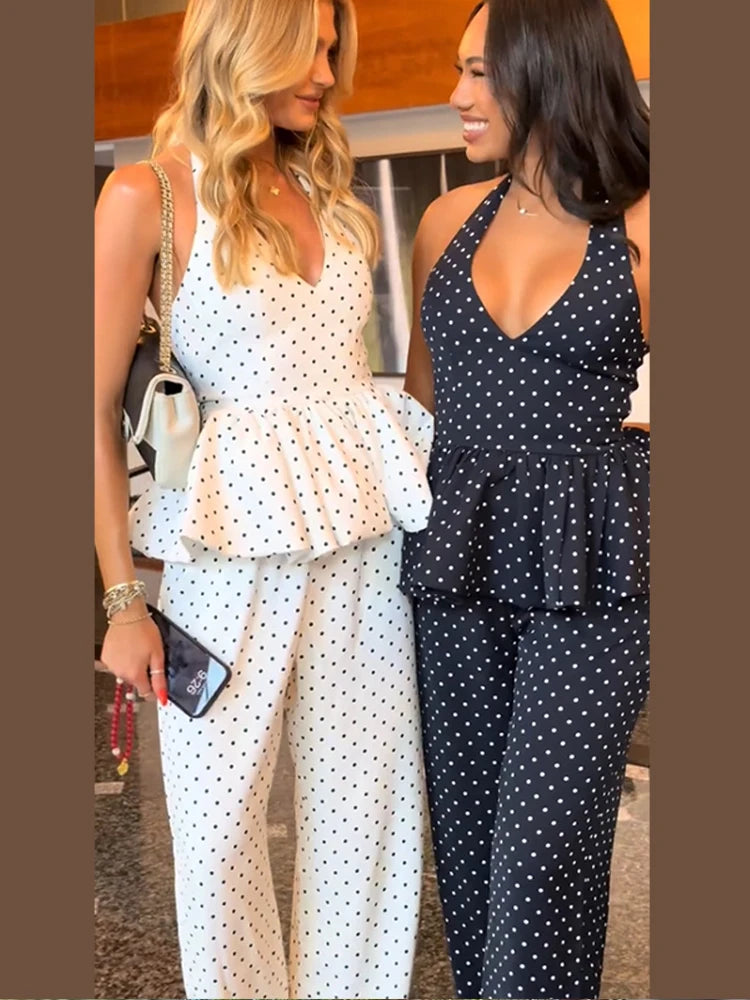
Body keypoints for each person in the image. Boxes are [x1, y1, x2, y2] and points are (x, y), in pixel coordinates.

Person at [94, 0, 435, 997]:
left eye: (336, 49)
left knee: (367, 813)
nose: (330, 71)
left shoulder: (328, 194)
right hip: (223, 549)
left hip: (363, 542)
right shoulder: (147, 194)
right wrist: (119, 599)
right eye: (313, 46)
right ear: (246, 34)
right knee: (218, 828)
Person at [399, 0, 650, 997]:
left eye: (477, 73)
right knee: (467, 858)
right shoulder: (443, 225)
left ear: (547, 67)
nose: (457, 97)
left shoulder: (647, 222)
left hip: (591, 579)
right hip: (454, 569)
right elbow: (420, 412)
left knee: (544, 858)